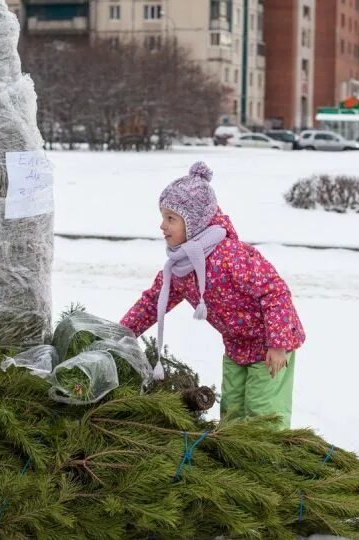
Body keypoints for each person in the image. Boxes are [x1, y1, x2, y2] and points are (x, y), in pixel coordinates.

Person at [120, 161, 305, 428]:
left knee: (263, 415)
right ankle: (234, 463)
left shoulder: (230, 256)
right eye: (163, 217)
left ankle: (267, 463)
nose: (162, 226)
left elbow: (274, 292)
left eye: (171, 218)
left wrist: (278, 344)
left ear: (193, 222)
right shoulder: (180, 266)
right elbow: (152, 301)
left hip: (269, 346)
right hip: (236, 347)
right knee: (232, 415)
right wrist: (121, 333)